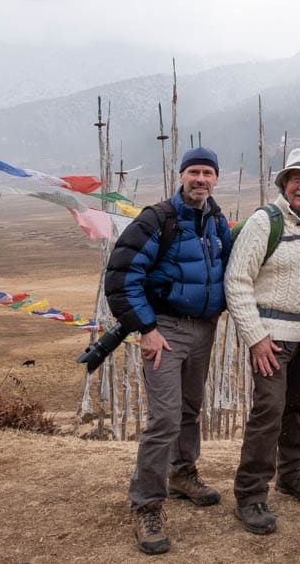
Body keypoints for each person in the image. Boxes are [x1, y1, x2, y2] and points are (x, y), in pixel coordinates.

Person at [105, 147, 232, 555]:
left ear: (216, 178)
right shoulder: (157, 219)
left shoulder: (216, 221)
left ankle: (182, 473)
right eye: (194, 171)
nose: (201, 179)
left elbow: (232, 263)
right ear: (181, 176)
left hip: (204, 329)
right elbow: (122, 276)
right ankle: (146, 504)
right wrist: (146, 328)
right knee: (164, 418)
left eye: (207, 173)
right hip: (166, 330)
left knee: (191, 409)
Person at [224, 147, 300, 535]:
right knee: (269, 411)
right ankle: (250, 493)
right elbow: (237, 281)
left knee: (293, 407)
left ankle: (292, 473)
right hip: (271, 339)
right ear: (284, 183)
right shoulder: (265, 222)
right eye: (297, 179)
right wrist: (256, 337)